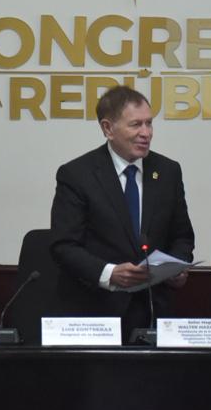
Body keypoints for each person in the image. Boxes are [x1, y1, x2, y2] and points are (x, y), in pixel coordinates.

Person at [49, 86, 194, 340]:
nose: (146, 133)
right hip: (96, 313)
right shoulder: (77, 175)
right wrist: (109, 273)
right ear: (108, 128)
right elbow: (64, 246)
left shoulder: (168, 171)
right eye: (136, 124)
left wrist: (176, 267)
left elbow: (182, 236)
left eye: (149, 123)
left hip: (153, 313)